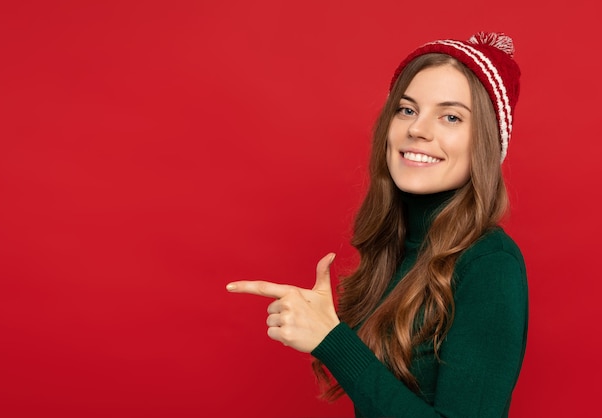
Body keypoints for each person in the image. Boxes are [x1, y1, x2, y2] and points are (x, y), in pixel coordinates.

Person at [226, 31, 528, 418]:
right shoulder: (399, 248)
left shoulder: (490, 264)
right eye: (407, 110)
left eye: (451, 116)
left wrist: (333, 341)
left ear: (485, 144)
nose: (418, 129)